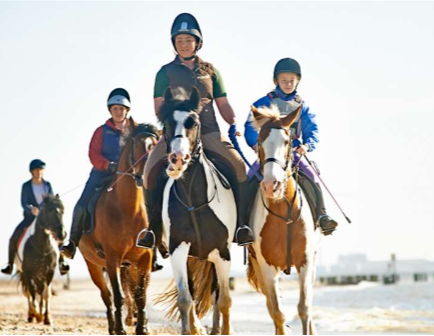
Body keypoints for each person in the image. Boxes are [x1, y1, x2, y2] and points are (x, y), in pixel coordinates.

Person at [137, 13, 254, 250]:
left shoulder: (211, 71)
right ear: (174, 45)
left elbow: (222, 102)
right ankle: (152, 230)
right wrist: (173, 121)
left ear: (197, 43)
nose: (183, 45)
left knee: (240, 167)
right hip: (175, 134)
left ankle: (242, 225)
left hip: (209, 131)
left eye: (188, 40)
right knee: (149, 170)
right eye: (179, 41)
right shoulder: (164, 72)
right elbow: (159, 107)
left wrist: (232, 122)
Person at [244, 58, 338, 235]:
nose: (288, 84)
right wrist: (256, 146)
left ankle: (322, 215)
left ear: (298, 82)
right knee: (249, 178)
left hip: (293, 151)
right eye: (284, 80)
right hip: (269, 152)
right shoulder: (262, 103)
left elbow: (312, 129)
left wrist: (307, 146)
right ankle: (243, 224)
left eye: (291, 81)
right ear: (276, 81)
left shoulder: (302, 106)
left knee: (312, 175)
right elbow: (250, 129)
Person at [60, 88, 133, 259]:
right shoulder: (101, 131)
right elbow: (93, 154)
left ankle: (158, 245)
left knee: (151, 200)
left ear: (126, 111)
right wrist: (108, 165)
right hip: (102, 174)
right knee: (81, 205)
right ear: (110, 110)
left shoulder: (134, 131)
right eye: (115, 108)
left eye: (121, 109)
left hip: (127, 177)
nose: (118, 111)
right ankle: (72, 243)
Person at [1, 160, 70, 275]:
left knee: (59, 233)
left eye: (41, 170)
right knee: (13, 237)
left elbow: (51, 201)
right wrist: (31, 209)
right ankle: (10, 264)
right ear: (32, 172)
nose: (39, 172)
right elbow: (24, 202)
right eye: (37, 170)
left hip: (45, 219)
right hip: (30, 218)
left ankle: (62, 262)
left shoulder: (47, 185)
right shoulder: (26, 186)